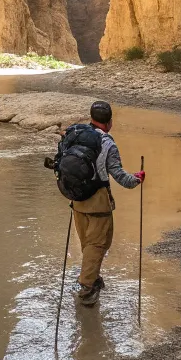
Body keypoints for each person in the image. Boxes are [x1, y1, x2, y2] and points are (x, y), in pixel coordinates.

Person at [55, 100, 144, 306]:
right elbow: (121, 177)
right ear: (110, 122)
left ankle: (92, 279)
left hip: (76, 197)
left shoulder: (75, 134)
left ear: (91, 118)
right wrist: (137, 178)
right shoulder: (108, 143)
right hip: (98, 200)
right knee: (98, 243)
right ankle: (87, 288)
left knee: (87, 241)